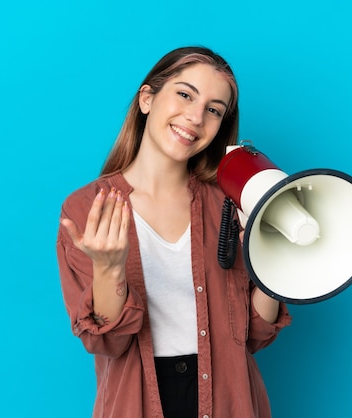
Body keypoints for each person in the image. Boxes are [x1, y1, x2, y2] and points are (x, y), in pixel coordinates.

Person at [56, 46, 292, 418]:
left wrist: (266, 262)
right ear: (147, 99)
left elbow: (254, 335)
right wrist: (109, 268)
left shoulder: (230, 204)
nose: (196, 117)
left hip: (231, 400)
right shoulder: (87, 208)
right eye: (185, 94)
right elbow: (109, 342)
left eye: (214, 110)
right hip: (138, 402)